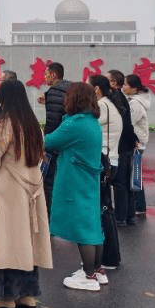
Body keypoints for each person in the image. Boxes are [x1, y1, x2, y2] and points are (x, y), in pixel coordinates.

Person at [0, 80, 53, 308]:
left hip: (9, 189)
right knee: (27, 242)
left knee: (7, 243)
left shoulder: (6, 124)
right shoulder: (33, 124)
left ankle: (5, 297)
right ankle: (27, 295)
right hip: (32, 187)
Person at [44, 82, 105, 292]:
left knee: (83, 228)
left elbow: (49, 142)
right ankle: (97, 270)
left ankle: (88, 276)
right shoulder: (91, 121)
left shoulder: (75, 123)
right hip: (88, 178)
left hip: (76, 180)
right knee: (92, 225)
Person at [89, 73, 122, 273]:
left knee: (103, 211)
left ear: (96, 89)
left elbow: (87, 126)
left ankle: (107, 258)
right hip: (110, 161)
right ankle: (110, 257)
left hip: (105, 162)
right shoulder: (108, 105)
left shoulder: (102, 106)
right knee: (105, 210)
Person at [36, 62, 70, 214]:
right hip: (68, 144)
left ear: (54, 75)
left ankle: (49, 216)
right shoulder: (68, 88)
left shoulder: (54, 92)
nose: (44, 77)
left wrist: (46, 144)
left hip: (56, 145)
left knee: (49, 182)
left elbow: (52, 122)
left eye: (46, 74)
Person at [106, 69, 136, 228]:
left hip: (121, 146)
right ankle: (129, 215)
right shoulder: (120, 97)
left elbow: (122, 124)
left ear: (113, 83)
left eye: (107, 79)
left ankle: (121, 217)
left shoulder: (115, 99)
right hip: (126, 144)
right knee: (125, 182)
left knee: (120, 183)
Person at [124, 74, 151, 219]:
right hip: (137, 142)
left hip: (137, 142)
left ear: (134, 88)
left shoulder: (135, 104)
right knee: (134, 173)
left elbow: (128, 122)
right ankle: (137, 206)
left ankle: (139, 206)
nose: (123, 87)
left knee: (135, 174)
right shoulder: (134, 101)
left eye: (125, 85)